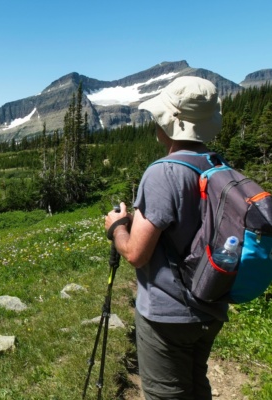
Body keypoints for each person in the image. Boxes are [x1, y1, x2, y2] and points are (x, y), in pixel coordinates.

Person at [104, 76, 228, 400]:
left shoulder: (162, 173)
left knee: (166, 394)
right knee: (197, 384)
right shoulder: (218, 165)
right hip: (211, 305)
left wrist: (117, 227)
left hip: (168, 314)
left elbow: (135, 254)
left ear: (169, 123)